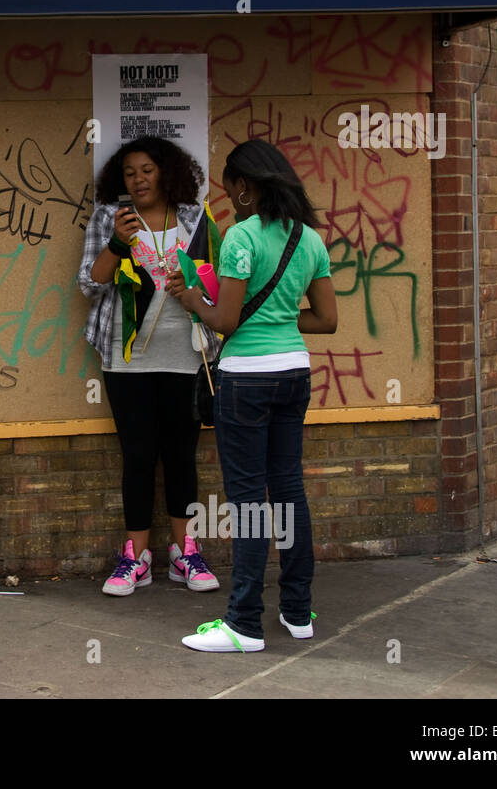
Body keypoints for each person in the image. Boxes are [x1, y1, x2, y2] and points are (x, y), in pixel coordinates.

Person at [166, 139, 337, 652]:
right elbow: (327, 320)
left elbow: (226, 319)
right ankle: (297, 611)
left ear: (244, 186)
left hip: (247, 379)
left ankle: (242, 624)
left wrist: (191, 297)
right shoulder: (310, 239)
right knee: (288, 491)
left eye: (230, 187)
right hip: (294, 372)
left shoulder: (242, 237)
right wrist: (281, 319)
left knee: (246, 503)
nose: (229, 196)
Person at [78, 137, 220, 597]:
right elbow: (90, 282)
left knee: (181, 454)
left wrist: (193, 283)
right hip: (126, 355)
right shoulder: (109, 219)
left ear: (167, 173)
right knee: (138, 455)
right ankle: (135, 557)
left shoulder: (196, 219)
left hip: (185, 355)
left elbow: (218, 284)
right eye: (130, 173)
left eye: (147, 170)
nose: (138, 180)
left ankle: (186, 553)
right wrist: (119, 243)